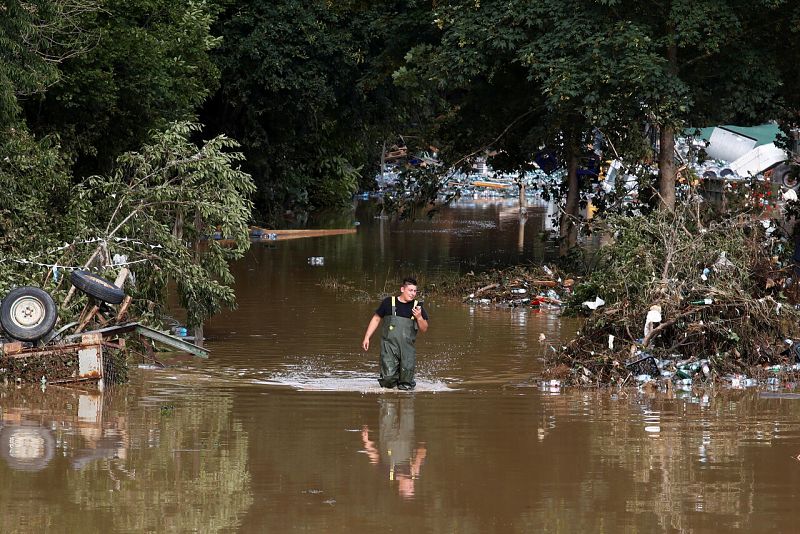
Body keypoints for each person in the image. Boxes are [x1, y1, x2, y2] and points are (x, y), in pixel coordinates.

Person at [362, 277, 429, 390]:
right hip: (389, 347)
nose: (413, 294)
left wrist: (419, 317)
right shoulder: (388, 302)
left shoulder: (418, 307)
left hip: (407, 349)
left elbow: (424, 328)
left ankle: (405, 398)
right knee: (388, 379)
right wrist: (367, 337)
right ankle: (390, 399)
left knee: (406, 384)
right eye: (410, 290)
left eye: (415, 291)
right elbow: (376, 319)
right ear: (402, 289)